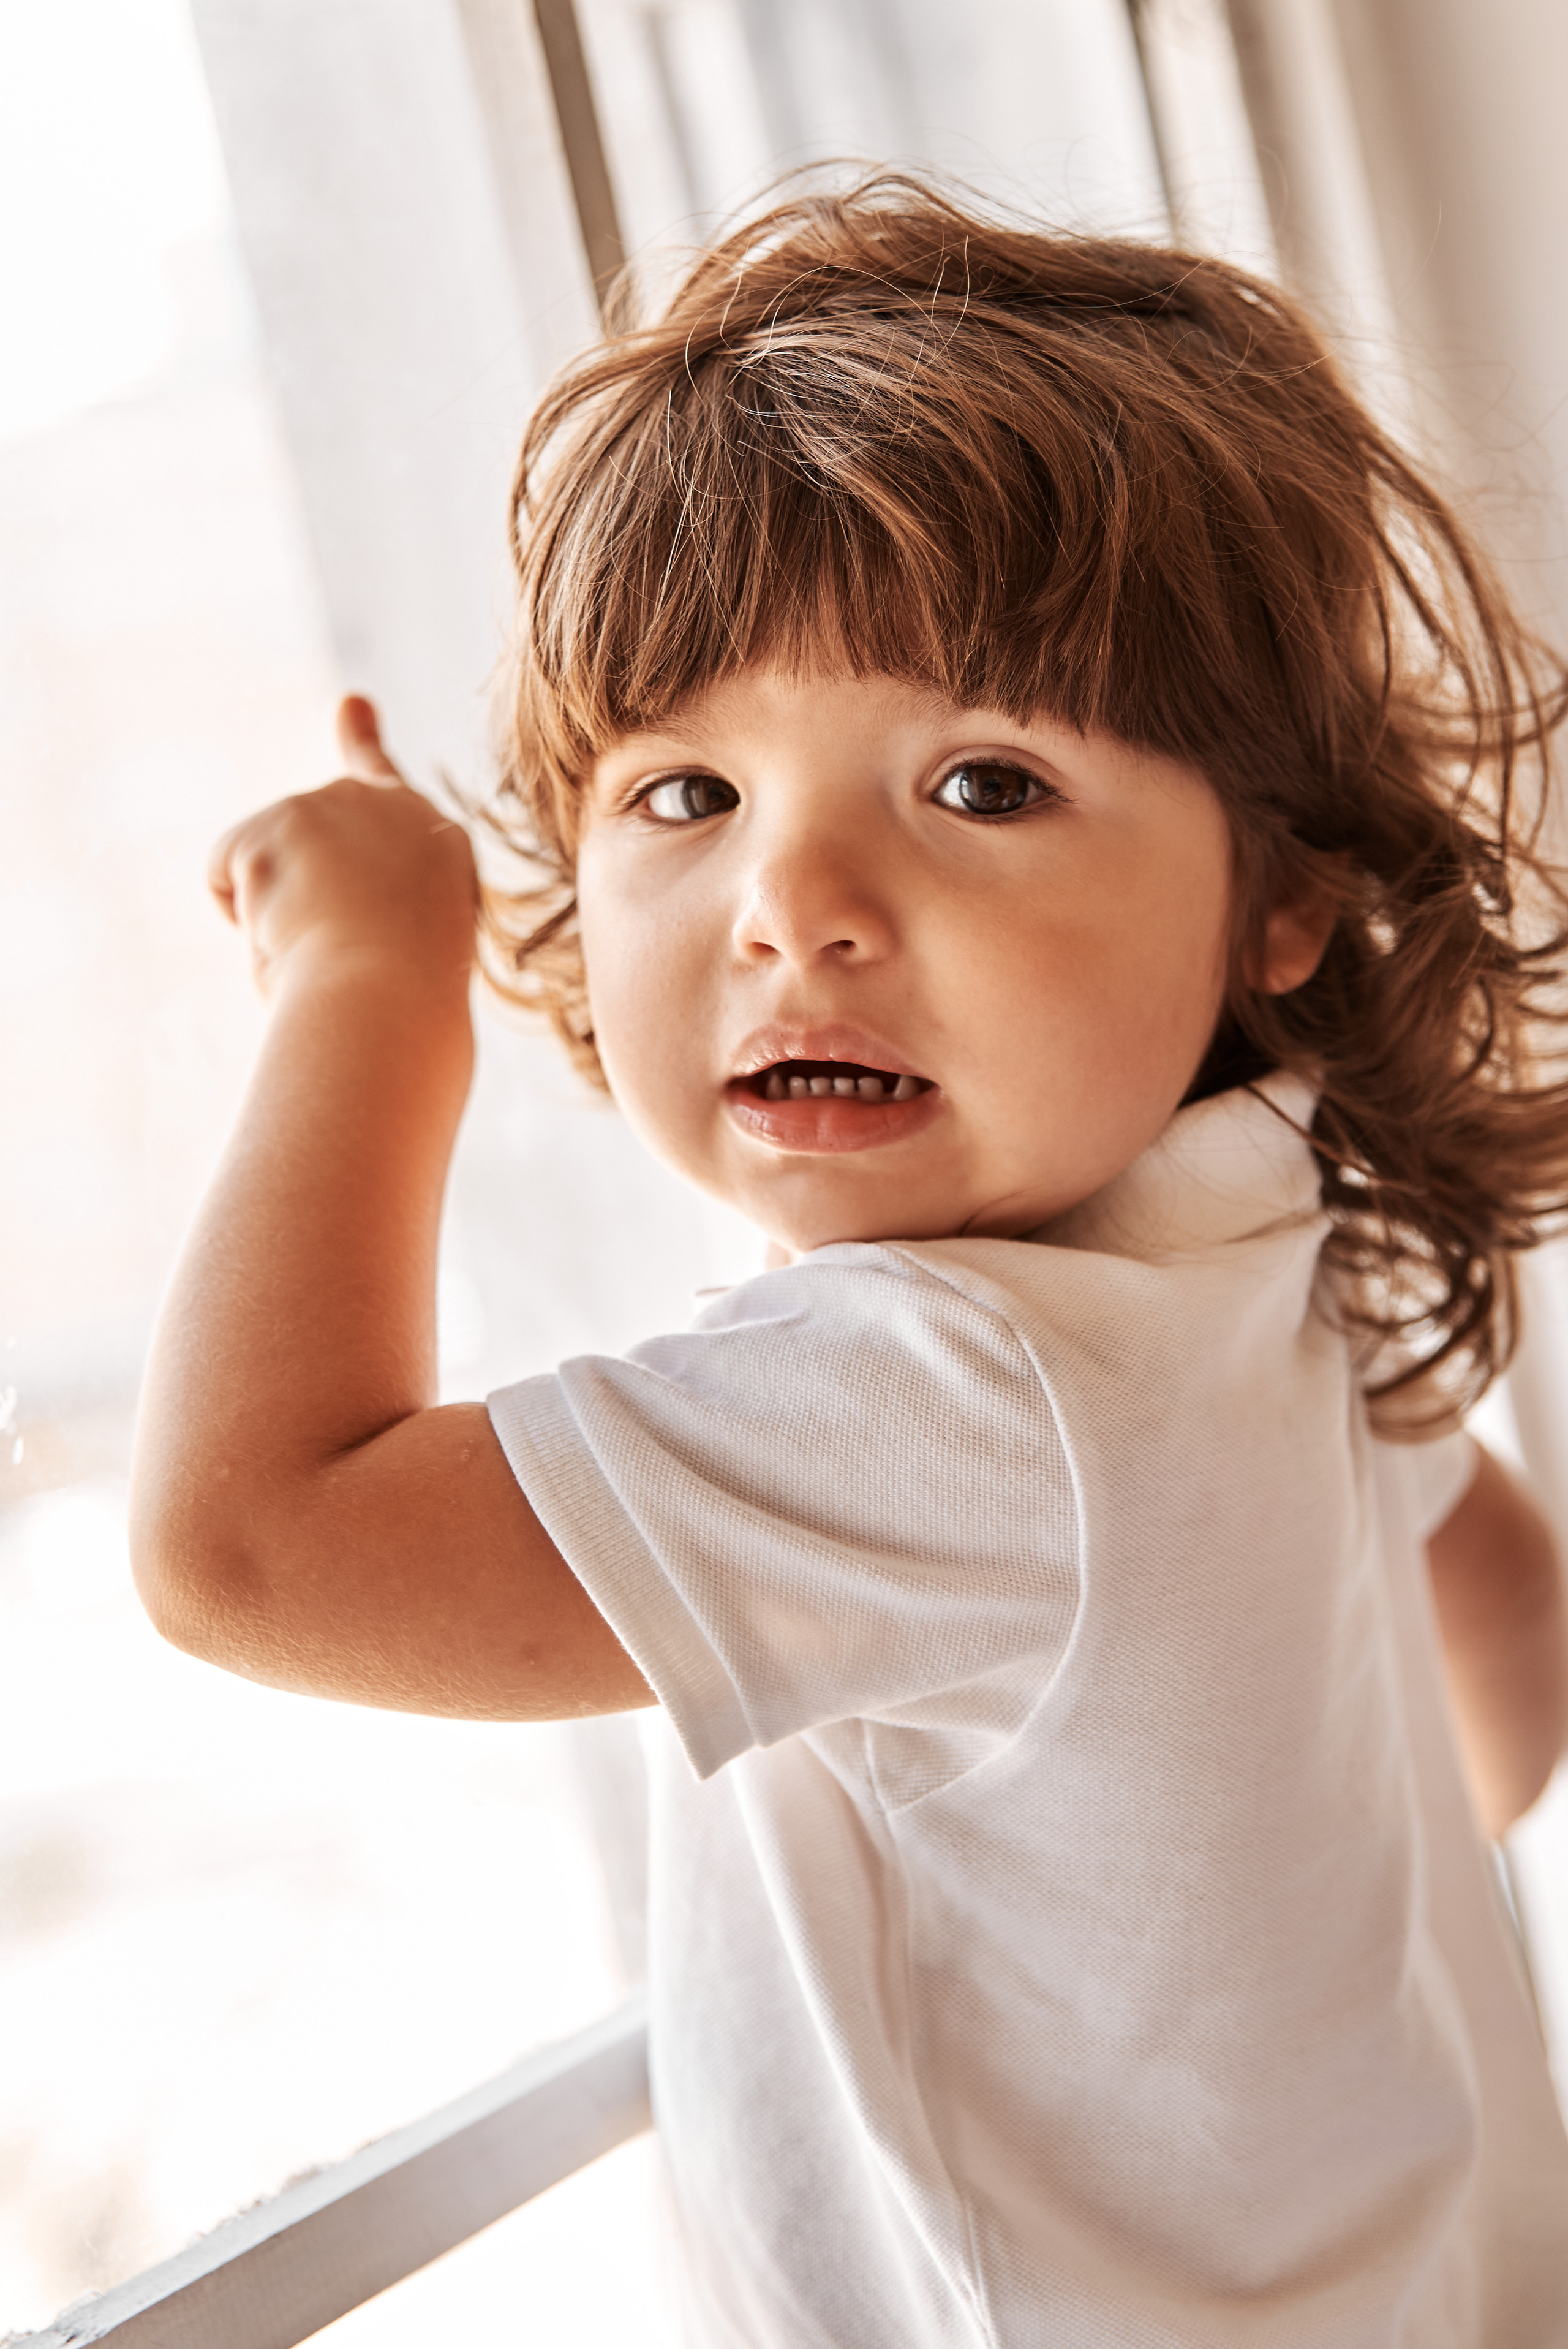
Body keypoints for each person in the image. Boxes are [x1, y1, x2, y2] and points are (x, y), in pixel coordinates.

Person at [130, 176, 1568, 2339]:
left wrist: (367, 979)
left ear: (1282, 894)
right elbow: (1514, 1639)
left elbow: (250, 1543)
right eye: (687, 796)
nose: (794, 907)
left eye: (982, 784)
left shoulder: (949, 1381)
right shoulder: (1274, 1232)